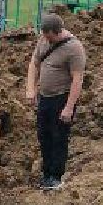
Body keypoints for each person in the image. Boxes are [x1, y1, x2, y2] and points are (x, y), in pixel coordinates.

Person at [25, 13, 85, 190]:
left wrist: (68, 108)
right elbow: (34, 63)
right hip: (45, 97)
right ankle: (46, 174)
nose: (45, 39)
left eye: (49, 36)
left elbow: (77, 79)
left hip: (62, 98)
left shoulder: (74, 49)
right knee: (44, 136)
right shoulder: (43, 40)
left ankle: (56, 177)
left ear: (57, 32)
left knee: (58, 137)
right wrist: (31, 89)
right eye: (43, 35)